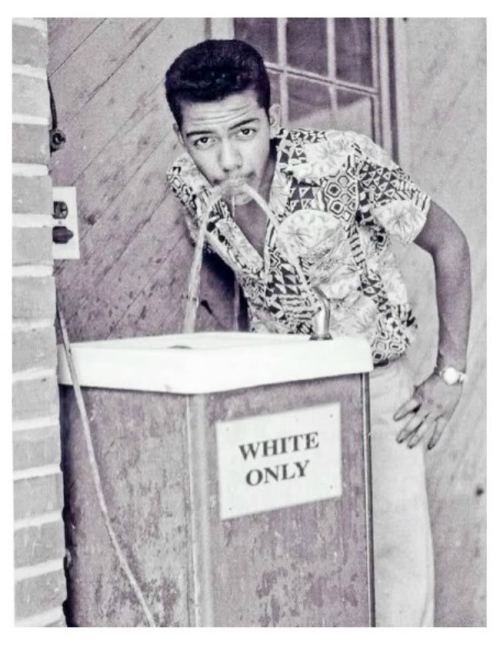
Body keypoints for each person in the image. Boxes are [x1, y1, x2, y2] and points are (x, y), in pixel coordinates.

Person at [164, 38, 471, 627]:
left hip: (374, 389)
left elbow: (449, 243)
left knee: (395, 567)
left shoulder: (342, 159)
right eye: (204, 140)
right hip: (276, 395)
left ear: (272, 120)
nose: (228, 159)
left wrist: (449, 374)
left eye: (244, 132)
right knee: (292, 559)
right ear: (183, 140)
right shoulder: (189, 183)